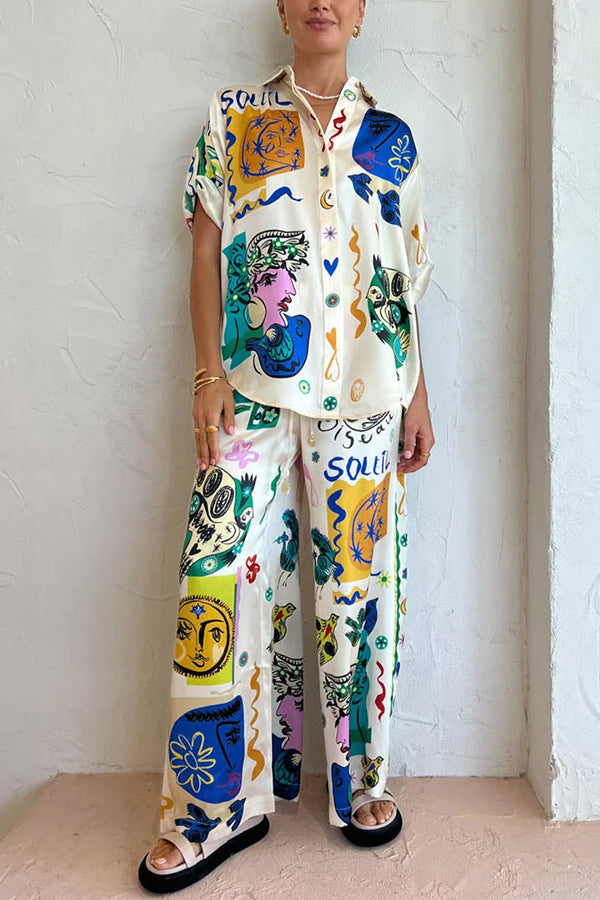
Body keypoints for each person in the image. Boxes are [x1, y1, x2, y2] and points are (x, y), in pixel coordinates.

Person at [138, 0, 434, 892]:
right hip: (250, 392)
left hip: (368, 399)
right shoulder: (233, 117)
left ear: (362, 11)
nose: (321, 2)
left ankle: (360, 784)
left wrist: (419, 395)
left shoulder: (392, 139)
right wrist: (206, 374)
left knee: (358, 595)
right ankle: (209, 809)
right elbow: (204, 251)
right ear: (280, 7)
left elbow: (404, 278)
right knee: (217, 577)